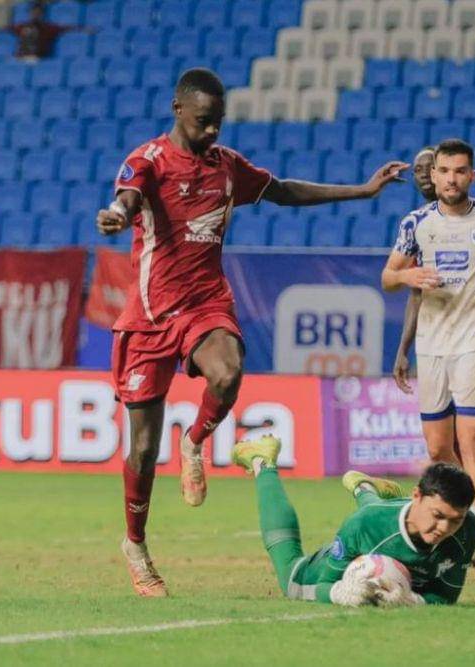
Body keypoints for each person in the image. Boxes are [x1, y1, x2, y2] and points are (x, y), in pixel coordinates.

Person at [95, 68, 409, 597]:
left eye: (218, 121)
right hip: (149, 316)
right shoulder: (147, 161)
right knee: (143, 450)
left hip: (204, 304)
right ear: (177, 110)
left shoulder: (227, 166)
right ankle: (136, 545)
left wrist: (362, 190)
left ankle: (194, 441)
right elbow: (126, 199)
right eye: (203, 121)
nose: (212, 130)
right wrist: (116, 215)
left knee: (228, 372)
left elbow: (282, 191)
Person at [380, 138, 475, 550]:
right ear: (435, 176)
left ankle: (472, 528)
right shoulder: (415, 224)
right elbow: (389, 277)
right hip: (432, 344)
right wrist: (407, 276)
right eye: (444, 171)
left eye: (460, 171)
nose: (451, 179)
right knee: (438, 448)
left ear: (472, 175)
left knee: (471, 438)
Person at [232, 435, 475, 606]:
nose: (445, 528)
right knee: (292, 583)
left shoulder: (466, 529)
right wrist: (338, 593)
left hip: (380, 522)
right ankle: (263, 462)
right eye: (438, 516)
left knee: (378, 517)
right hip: (357, 546)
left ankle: (364, 487)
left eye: (455, 520)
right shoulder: (364, 524)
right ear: (416, 496)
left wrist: (415, 601)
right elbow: (324, 584)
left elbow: (447, 596)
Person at [7, 3, 80, 60]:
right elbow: (8, 28)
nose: (35, 15)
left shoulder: (47, 28)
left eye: (37, 13)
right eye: (33, 12)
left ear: (41, 14)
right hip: (20, 56)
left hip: (36, 58)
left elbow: (65, 28)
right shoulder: (22, 26)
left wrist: (82, 29)